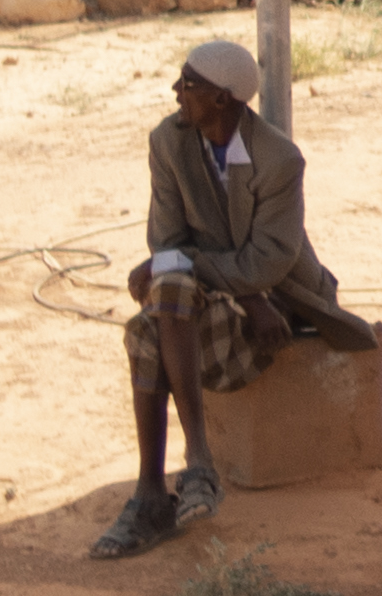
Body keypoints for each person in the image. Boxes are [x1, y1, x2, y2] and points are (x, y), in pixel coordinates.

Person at [89, 36, 365, 560]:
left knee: (156, 312)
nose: (176, 93)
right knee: (156, 314)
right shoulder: (168, 143)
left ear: (223, 99)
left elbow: (269, 261)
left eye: (188, 84)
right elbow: (165, 240)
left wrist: (245, 289)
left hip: (281, 302)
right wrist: (185, 264)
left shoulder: (279, 160)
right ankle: (194, 466)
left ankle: (156, 492)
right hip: (214, 297)